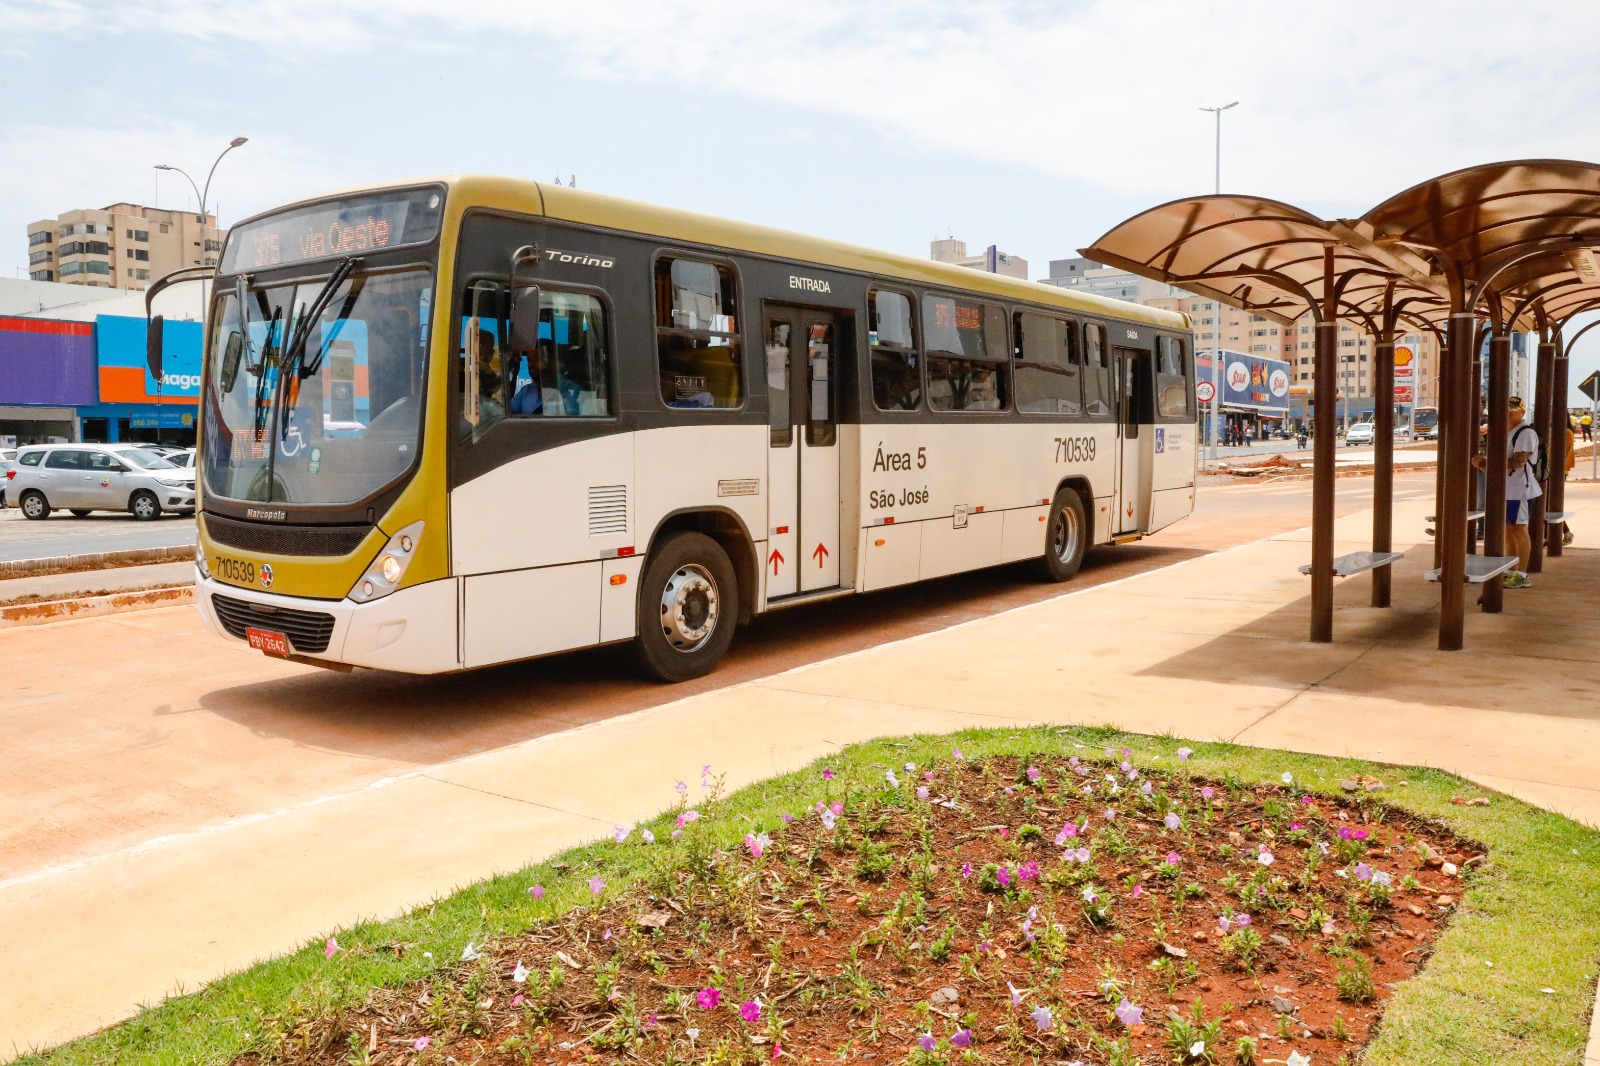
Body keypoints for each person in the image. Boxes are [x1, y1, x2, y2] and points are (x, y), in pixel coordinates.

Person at [1472, 397, 1541, 587]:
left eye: (1513, 409)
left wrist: (1487, 463)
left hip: (1519, 490)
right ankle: (1511, 569)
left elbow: (1518, 461)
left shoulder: (1525, 433)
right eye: (1507, 409)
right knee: (1508, 530)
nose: (1509, 413)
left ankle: (1522, 574)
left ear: (1522, 412)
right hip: (1508, 489)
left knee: (1518, 529)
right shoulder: (1509, 433)